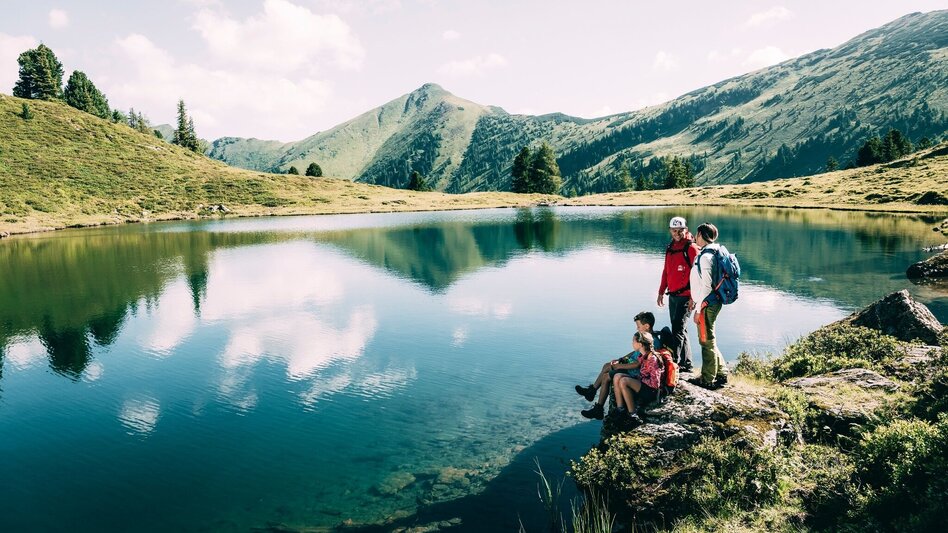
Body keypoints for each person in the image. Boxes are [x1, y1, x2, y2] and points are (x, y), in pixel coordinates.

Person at [575, 312, 663, 420]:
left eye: (638, 326)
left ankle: (597, 406)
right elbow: (635, 353)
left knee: (607, 375)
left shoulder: (652, 342)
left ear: (647, 326)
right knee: (607, 365)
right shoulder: (644, 338)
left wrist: (620, 366)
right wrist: (621, 359)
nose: (637, 328)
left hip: (635, 371)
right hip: (632, 365)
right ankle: (592, 391)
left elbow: (639, 365)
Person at [688, 222, 728, 389]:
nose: (694, 237)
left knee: (705, 340)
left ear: (701, 235)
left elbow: (706, 286)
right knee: (710, 339)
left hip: (707, 304)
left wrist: (698, 309)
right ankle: (721, 373)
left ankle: (707, 379)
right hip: (712, 302)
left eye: (696, 234)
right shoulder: (714, 251)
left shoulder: (705, 257)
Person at [657, 216, 699, 373]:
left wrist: (693, 298)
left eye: (680, 230)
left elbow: (698, 275)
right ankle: (686, 363)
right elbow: (666, 271)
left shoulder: (691, 248)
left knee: (677, 330)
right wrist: (661, 292)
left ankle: (674, 364)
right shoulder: (670, 247)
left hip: (686, 297)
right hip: (673, 296)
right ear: (670, 230)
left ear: (686, 230)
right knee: (680, 330)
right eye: (674, 230)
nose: (677, 233)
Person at [613, 331, 662, 424]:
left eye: (633, 341)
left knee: (624, 381)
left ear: (640, 344)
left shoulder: (653, 359)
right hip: (643, 385)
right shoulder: (642, 356)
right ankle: (620, 409)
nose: (632, 343)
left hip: (651, 391)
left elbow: (655, 384)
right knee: (617, 376)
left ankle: (633, 415)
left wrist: (639, 379)